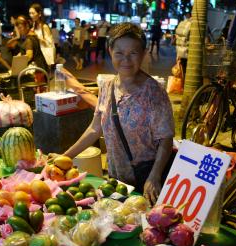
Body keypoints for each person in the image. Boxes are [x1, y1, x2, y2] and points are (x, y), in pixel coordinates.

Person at [62, 23, 174, 203]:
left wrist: (154, 176)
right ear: (110, 51)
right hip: (116, 176)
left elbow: (166, 139)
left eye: (133, 53)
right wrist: (65, 156)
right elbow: (94, 129)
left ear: (144, 53)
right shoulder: (107, 87)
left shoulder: (154, 93)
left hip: (145, 179)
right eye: (120, 53)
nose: (126, 60)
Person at [29, 3, 55, 67]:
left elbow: (49, 43)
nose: (31, 15)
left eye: (33, 13)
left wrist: (36, 37)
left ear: (39, 14)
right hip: (36, 55)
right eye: (30, 13)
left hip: (43, 57)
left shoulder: (44, 27)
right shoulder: (33, 26)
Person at [175, 12, 192, 78]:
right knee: (186, 70)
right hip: (186, 51)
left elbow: (177, 35)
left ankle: (182, 83)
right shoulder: (191, 24)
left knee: (182, 69)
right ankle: (183, 84)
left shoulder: (181, 23)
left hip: (179, 50)